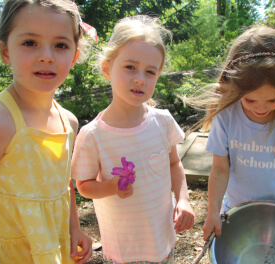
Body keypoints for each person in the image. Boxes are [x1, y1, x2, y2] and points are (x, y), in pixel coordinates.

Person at [0, 0, 97, 263]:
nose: (46, 55)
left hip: (53, 251)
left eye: (60, 45)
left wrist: (74, 228)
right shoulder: (0, 121)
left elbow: (64, 184)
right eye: (29, 43)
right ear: (5, 52)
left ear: (73, 57)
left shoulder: (68, 122)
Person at [71, 15, 194, 263]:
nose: (140, 78)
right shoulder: (93, 135)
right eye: (130, 67)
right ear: (107, 68)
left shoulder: (163, 122)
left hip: (162, 240)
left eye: (150, 72)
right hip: (124, 248)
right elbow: (83, 186)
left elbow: (173, 164)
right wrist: (110, 187)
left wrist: (183, 199)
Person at [184, 26, 275, 240]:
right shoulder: (226, 117)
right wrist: (213, 212)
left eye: (272, 100)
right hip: (237, 215)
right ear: (235, 86)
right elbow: (220, 169)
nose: (261, 108)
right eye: (250, 100)